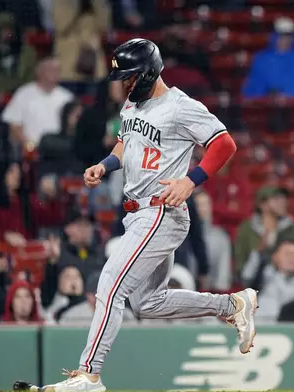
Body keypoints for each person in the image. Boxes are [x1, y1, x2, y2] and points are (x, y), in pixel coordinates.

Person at [21, 39, 257, 392]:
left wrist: (192, 181)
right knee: (148, 302)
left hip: (161, 210)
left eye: (129, 76)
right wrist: (105, 165)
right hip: (137, 212)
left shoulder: (180, 106)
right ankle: (233, 304)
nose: (124, 83)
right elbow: (125, 143)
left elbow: (224, 144)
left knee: (110, 285)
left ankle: (89, 374)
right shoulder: (132, 104)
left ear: (147, 73)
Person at [1, 57, 74, 150]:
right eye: (51, 69)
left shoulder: (67, 97)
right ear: (39, 71)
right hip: (30, 150)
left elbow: (72, 127)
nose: (55, 72)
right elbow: (14, 125)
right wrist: (28, 145)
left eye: (58, 70)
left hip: (59, 150)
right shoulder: (24, 93)